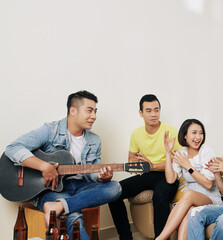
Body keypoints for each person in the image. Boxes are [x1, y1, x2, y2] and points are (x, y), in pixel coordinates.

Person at [5, 90, 121, 240]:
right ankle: (62, 205)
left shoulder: (95, 140)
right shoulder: (50, 130)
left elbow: (92, 173)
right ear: (73, 110)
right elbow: (13, 148)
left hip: (80, 187)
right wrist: (44, 166)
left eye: (95, 111)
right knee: (73, 216)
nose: (94, 116)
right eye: (90, 111)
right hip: (52, 189)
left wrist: (101, 177)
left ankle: (59, 206)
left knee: (115, 187)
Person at [109, 94, 181, 240]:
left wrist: (153, 165)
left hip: (168, 175)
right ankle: (125, 237)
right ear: (141, 113)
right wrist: (141, 165)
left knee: (160, 195)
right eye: (148, 111)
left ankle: (160, 238)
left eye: (156, 110)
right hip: (148, 174)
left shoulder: (171, 131)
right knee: (113, 193)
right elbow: (131, 160)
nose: (153, 114)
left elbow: (177, 162)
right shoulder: (136, 134)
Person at [156, 119, 221, 240]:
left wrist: (188, 166)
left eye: (201, 133)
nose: (198, 137)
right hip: (191, 201)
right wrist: (168, 153)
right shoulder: (181, 153)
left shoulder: (206, 151)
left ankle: (160, 238)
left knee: (189, 194)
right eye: (194, 133)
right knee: (189, 212)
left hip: (210, 198)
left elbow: (208, 184)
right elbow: (170, 179)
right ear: (185, 135)